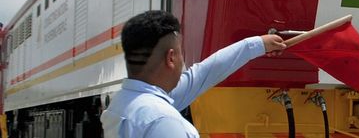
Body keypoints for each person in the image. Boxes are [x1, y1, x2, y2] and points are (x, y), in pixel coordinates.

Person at [101, 10, 285, 137]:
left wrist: (257, 44)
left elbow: (202, 74)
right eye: (182, 52)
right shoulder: (166, 122)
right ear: (171, 58)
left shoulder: (122, 103)